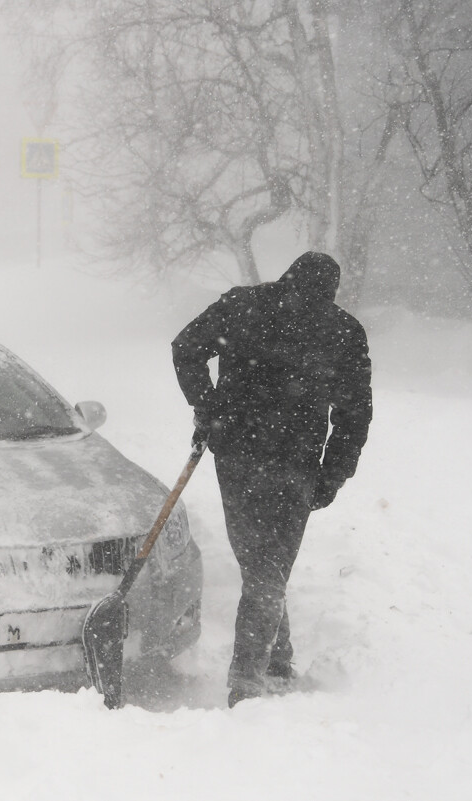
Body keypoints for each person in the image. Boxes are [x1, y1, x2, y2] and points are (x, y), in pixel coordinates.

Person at [171, 251, 372, 706]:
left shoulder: (243, 305)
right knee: (267, 564)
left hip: (240, 454)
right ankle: (254, 674)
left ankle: (265, 666)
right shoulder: (341, 330)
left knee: (261, 563)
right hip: (288, 462)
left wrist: (209, 407)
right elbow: (354, 416)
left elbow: (186, 349)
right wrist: (332, 473)